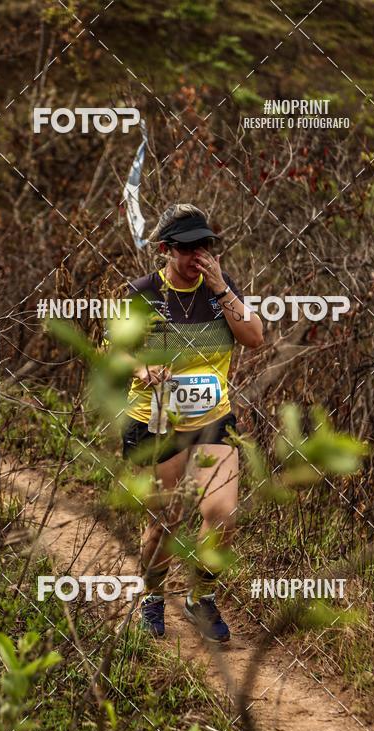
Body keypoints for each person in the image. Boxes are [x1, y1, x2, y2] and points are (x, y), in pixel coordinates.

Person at [120, 204, 263, 642]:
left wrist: (221, 289)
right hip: (156, 421)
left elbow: (255, 337)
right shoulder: (143, 292)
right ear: (166, 249)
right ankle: (152, 596)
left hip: (211, 418)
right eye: (186, 248)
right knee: (165, 520)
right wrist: (141, 369)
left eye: (204, 246)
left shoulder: (222, 287)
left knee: (222, 514)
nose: (197, 256)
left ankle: (201, 598)